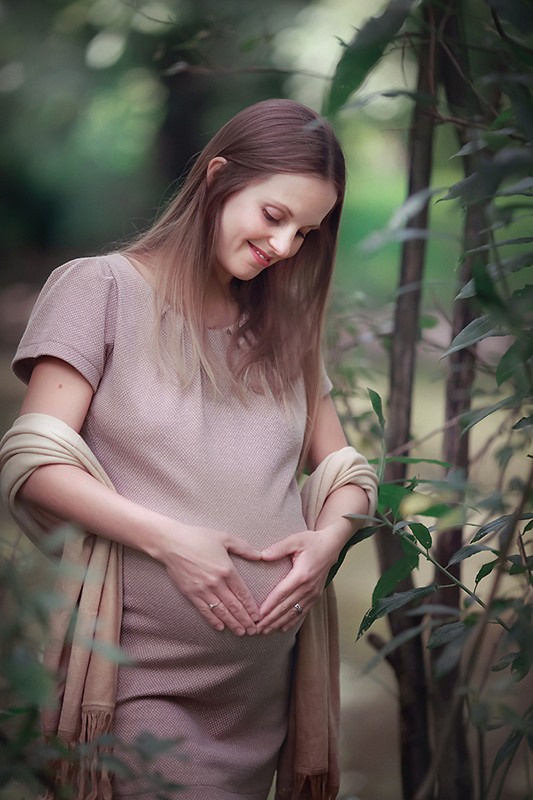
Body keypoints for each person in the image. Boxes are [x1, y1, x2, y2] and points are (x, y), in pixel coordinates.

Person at [0, 99, 378, 800]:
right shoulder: (101, 289)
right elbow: (33, 461)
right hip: (134, 685)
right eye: (273, 216)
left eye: (306, 232)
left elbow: (345, 470)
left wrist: (330, 539)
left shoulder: (283, 330)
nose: (286, 247)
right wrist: (172, 541)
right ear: (217, 177)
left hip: (260, 702)